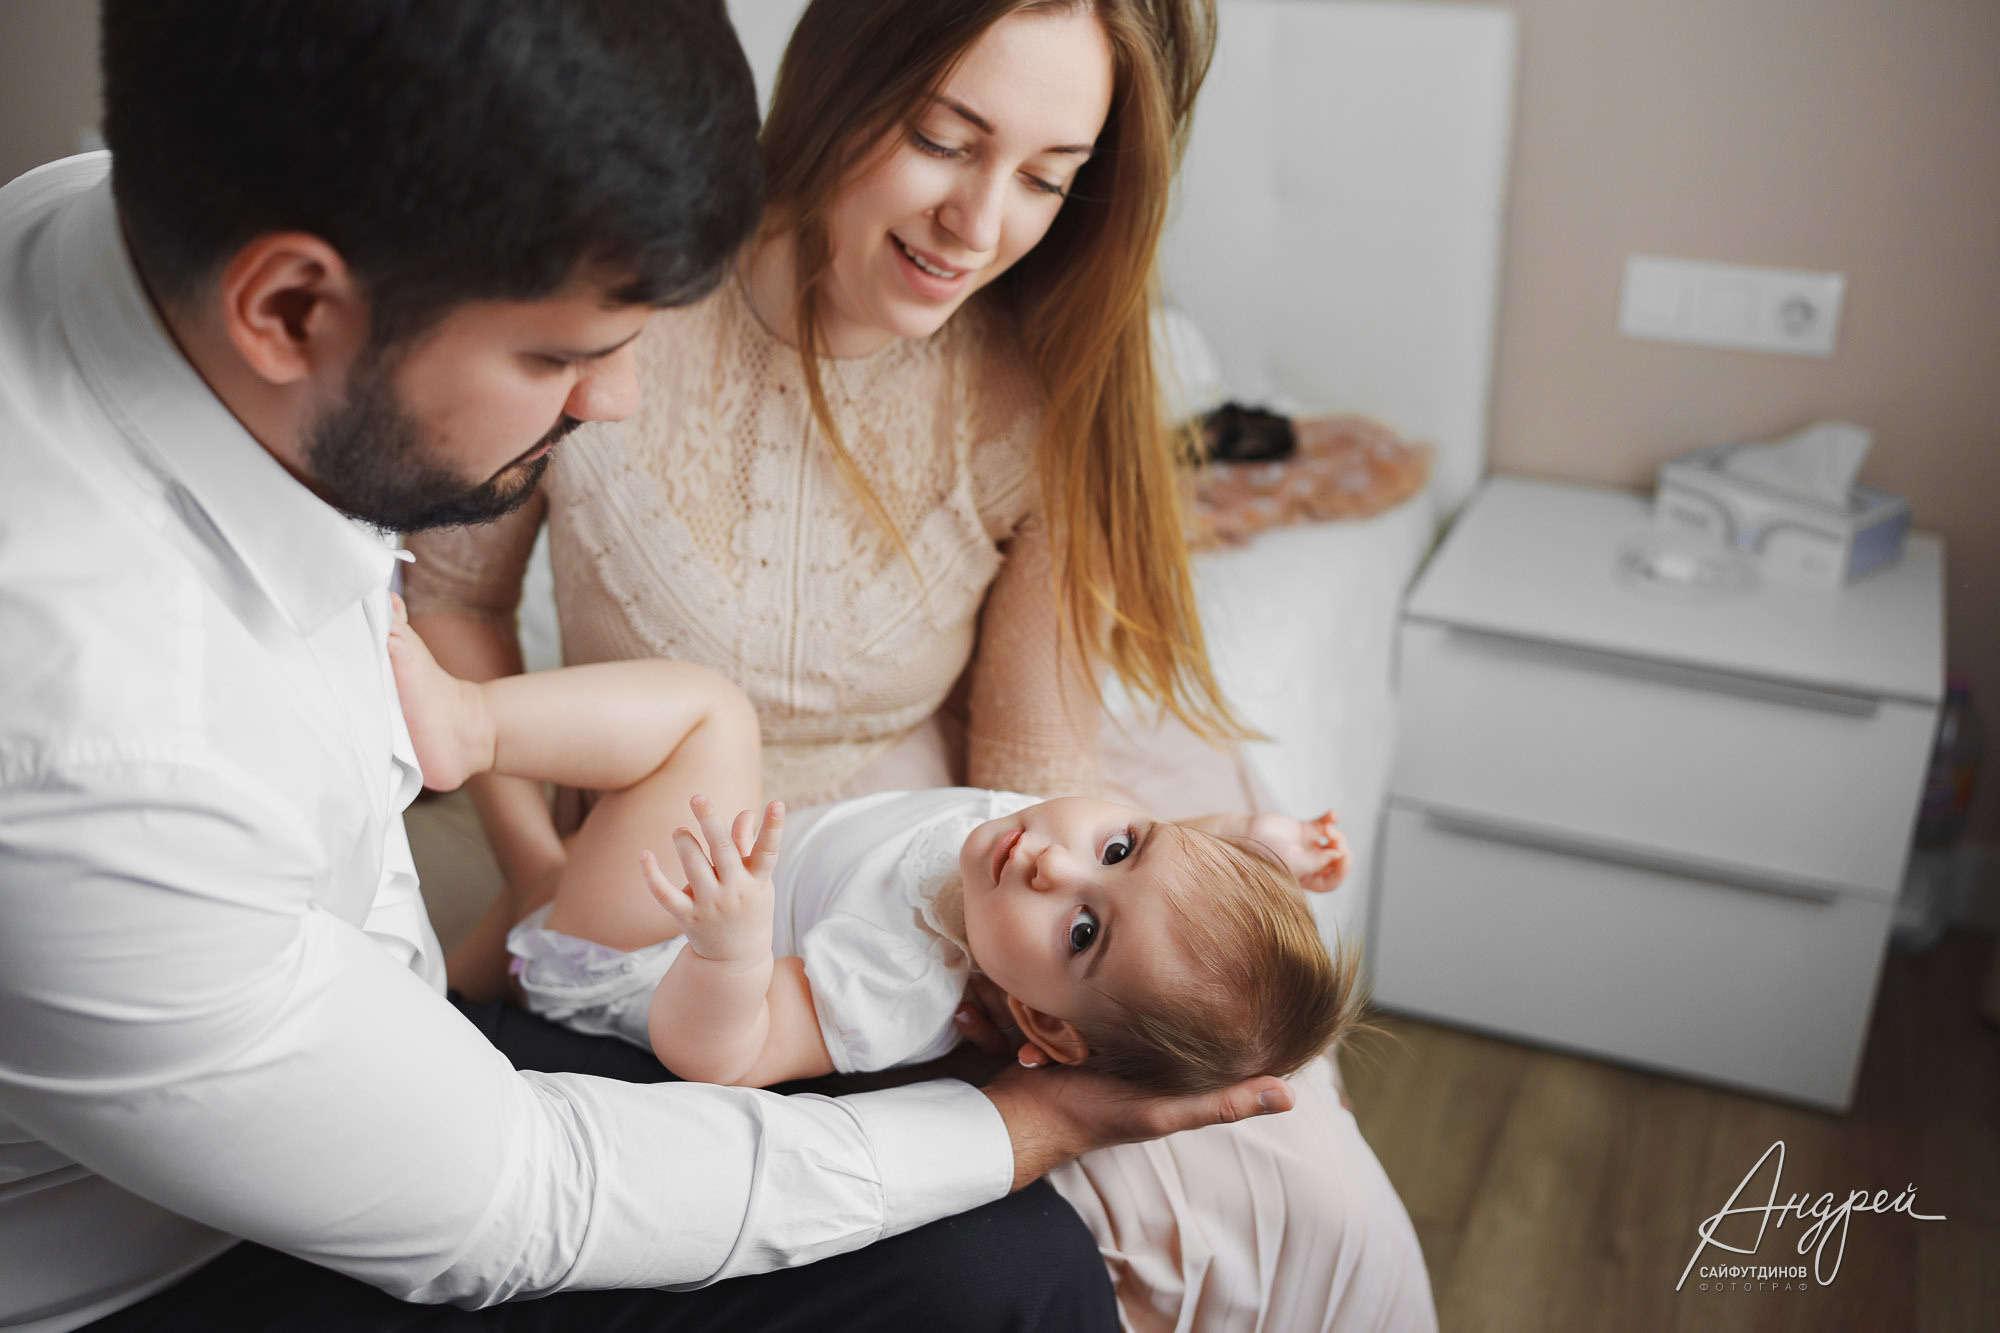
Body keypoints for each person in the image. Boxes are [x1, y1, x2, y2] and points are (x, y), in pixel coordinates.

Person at [0, 4, 1295, 1331]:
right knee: (1011, 1277)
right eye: (558, 355)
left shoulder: (114, 224)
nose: (615, 402)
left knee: (1027, 1258)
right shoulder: (110, 769)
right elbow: (516, 1197)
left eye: (1046, 175)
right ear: (289, 308)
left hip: (379, 1046)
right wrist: (1028, 1122)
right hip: (186, 1262)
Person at [404, 1, 1438, 1328]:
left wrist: (1020, 984)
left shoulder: (1041, 386)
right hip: (667, 837)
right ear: (842, 85)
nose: (978, 224)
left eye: (1047, 179)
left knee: (1305, 1194)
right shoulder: (624, 296)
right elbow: (457, 602)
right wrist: (540, 867)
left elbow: (1034, 791)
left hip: (926, 853)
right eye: (946, 142)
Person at [384, 608, 1356, 1090]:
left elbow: (726, 1055)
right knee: (523, 896)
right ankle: (469, 961)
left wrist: (729, 947)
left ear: (1045, 1027)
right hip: (624, 907)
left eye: (1082, 933)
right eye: (1118, 845)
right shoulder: (1063, 851)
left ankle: (467, 728)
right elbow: (1169, 861)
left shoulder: (895, 986)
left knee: (710, 717)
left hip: (641, 953)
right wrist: (1260, 842)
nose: (1055, 865)